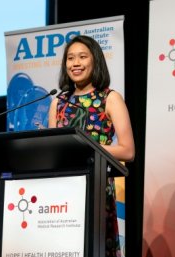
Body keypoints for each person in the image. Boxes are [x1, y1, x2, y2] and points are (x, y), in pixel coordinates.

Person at [48, 34, 135, 256]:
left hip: (97, 187)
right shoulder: (58, 102)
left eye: (82, 57)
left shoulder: (110, 98)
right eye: (70, 58)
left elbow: (127, 150)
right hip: (63, 191)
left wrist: (87, 146)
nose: (75, 63)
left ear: (94, 60)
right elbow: (53, 150)